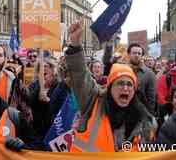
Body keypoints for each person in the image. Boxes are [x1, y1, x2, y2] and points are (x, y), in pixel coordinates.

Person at [66, 22, 156, 152]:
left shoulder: (146, 122)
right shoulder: (93, 101)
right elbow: (80, 75)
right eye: (120, 83)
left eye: (130, 84)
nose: (125, 88)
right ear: (110, 87)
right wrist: (75, 44)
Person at [26, 57, 59, 140]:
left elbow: (59, 106)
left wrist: (48, 101)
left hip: (53, 129)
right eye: (41, 67)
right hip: (35, 129)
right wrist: (40, 87)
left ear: (53, 69)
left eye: (47, 66)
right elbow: (28, 102)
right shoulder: (34, 85)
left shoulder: (58, 86)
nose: (44, 69)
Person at [128, 43, 156, 115]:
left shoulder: (149, 74)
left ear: (142, 56)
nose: (137, 55)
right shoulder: (122, 70)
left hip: (141, 113)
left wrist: (150, 116)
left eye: (139, 53)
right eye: (134, 53)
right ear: (129, 54)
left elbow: (151, 98)